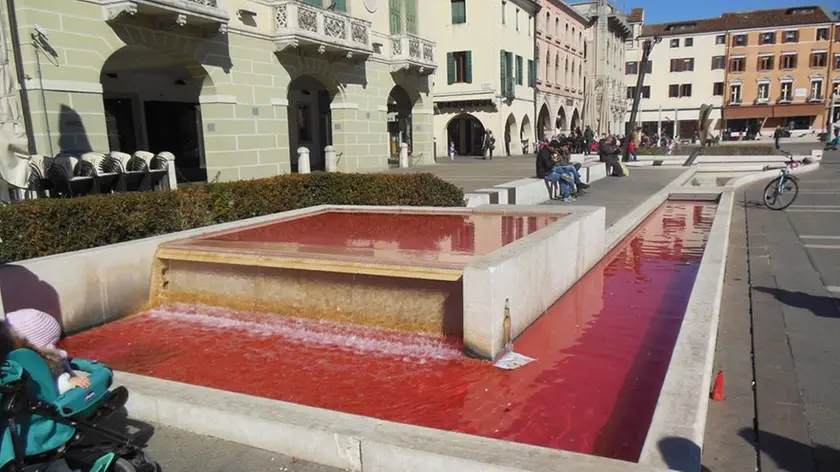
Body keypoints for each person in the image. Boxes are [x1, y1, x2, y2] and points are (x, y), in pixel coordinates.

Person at [4, 308, 91, 394]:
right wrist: (68, 381)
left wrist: (69, 378)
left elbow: (54, 379)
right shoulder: (24, 360)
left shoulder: (42, 360)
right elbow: (46, 386)